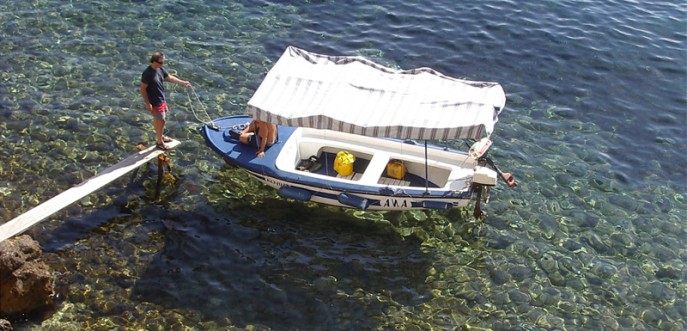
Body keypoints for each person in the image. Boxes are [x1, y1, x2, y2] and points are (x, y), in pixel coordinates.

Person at [140, 52, 191, 150]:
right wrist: (147, 103)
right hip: (154, 101)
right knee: (162, 120)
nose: (162, 64)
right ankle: (159, 142)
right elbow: (142, 89)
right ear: (154, 61)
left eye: (163, 62)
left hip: (161, 99)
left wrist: (182, 82)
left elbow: (169, 77)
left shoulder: (160, 69)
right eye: (160, 62)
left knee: (157, 119)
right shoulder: (147, 73)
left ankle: (160, 136)